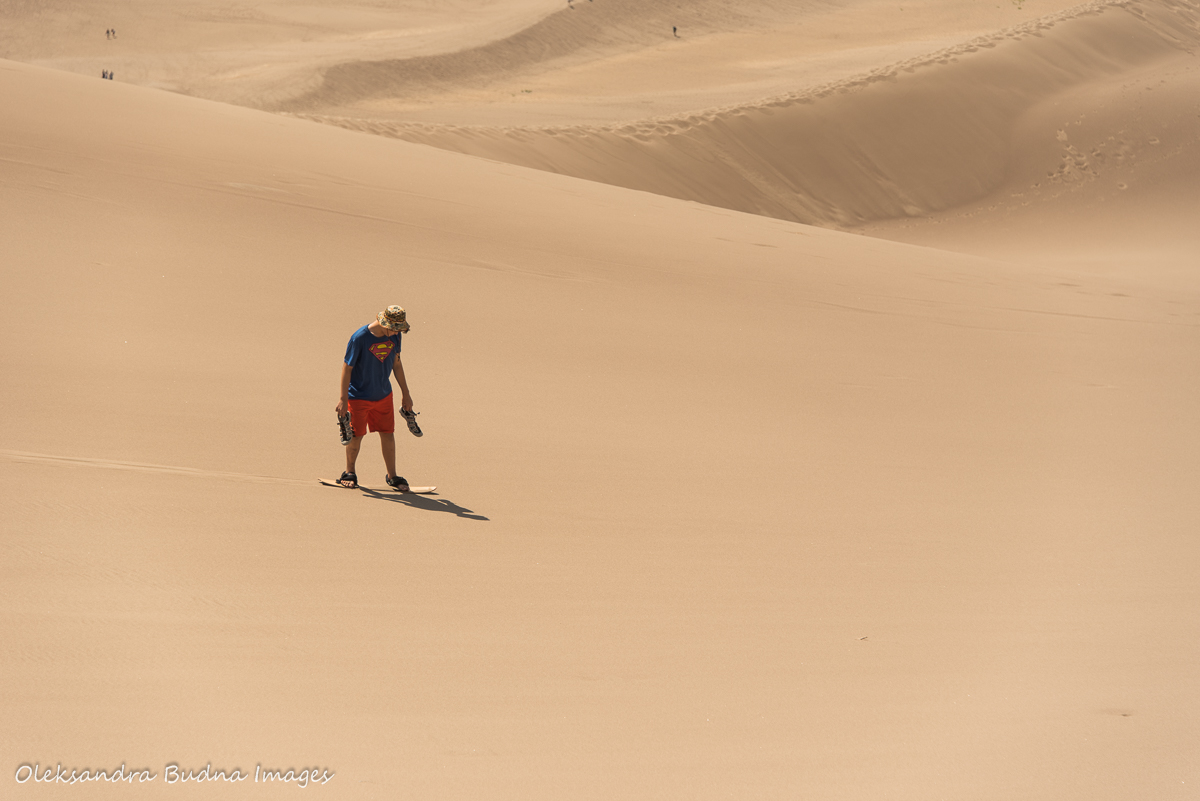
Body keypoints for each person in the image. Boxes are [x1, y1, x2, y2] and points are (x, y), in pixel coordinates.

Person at [334, 305, 414, 489]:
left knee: (388, 434)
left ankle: (392, 476)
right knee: (356, 435)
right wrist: (343, 399)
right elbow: (347, 368)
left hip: (384, 395)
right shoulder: (359, 338)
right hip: (358, 396)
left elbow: (397, 364)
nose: (397, 333)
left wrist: (406, 394)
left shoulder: (395, 336)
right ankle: (349, 472)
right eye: (395, 329)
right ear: (385, 324)